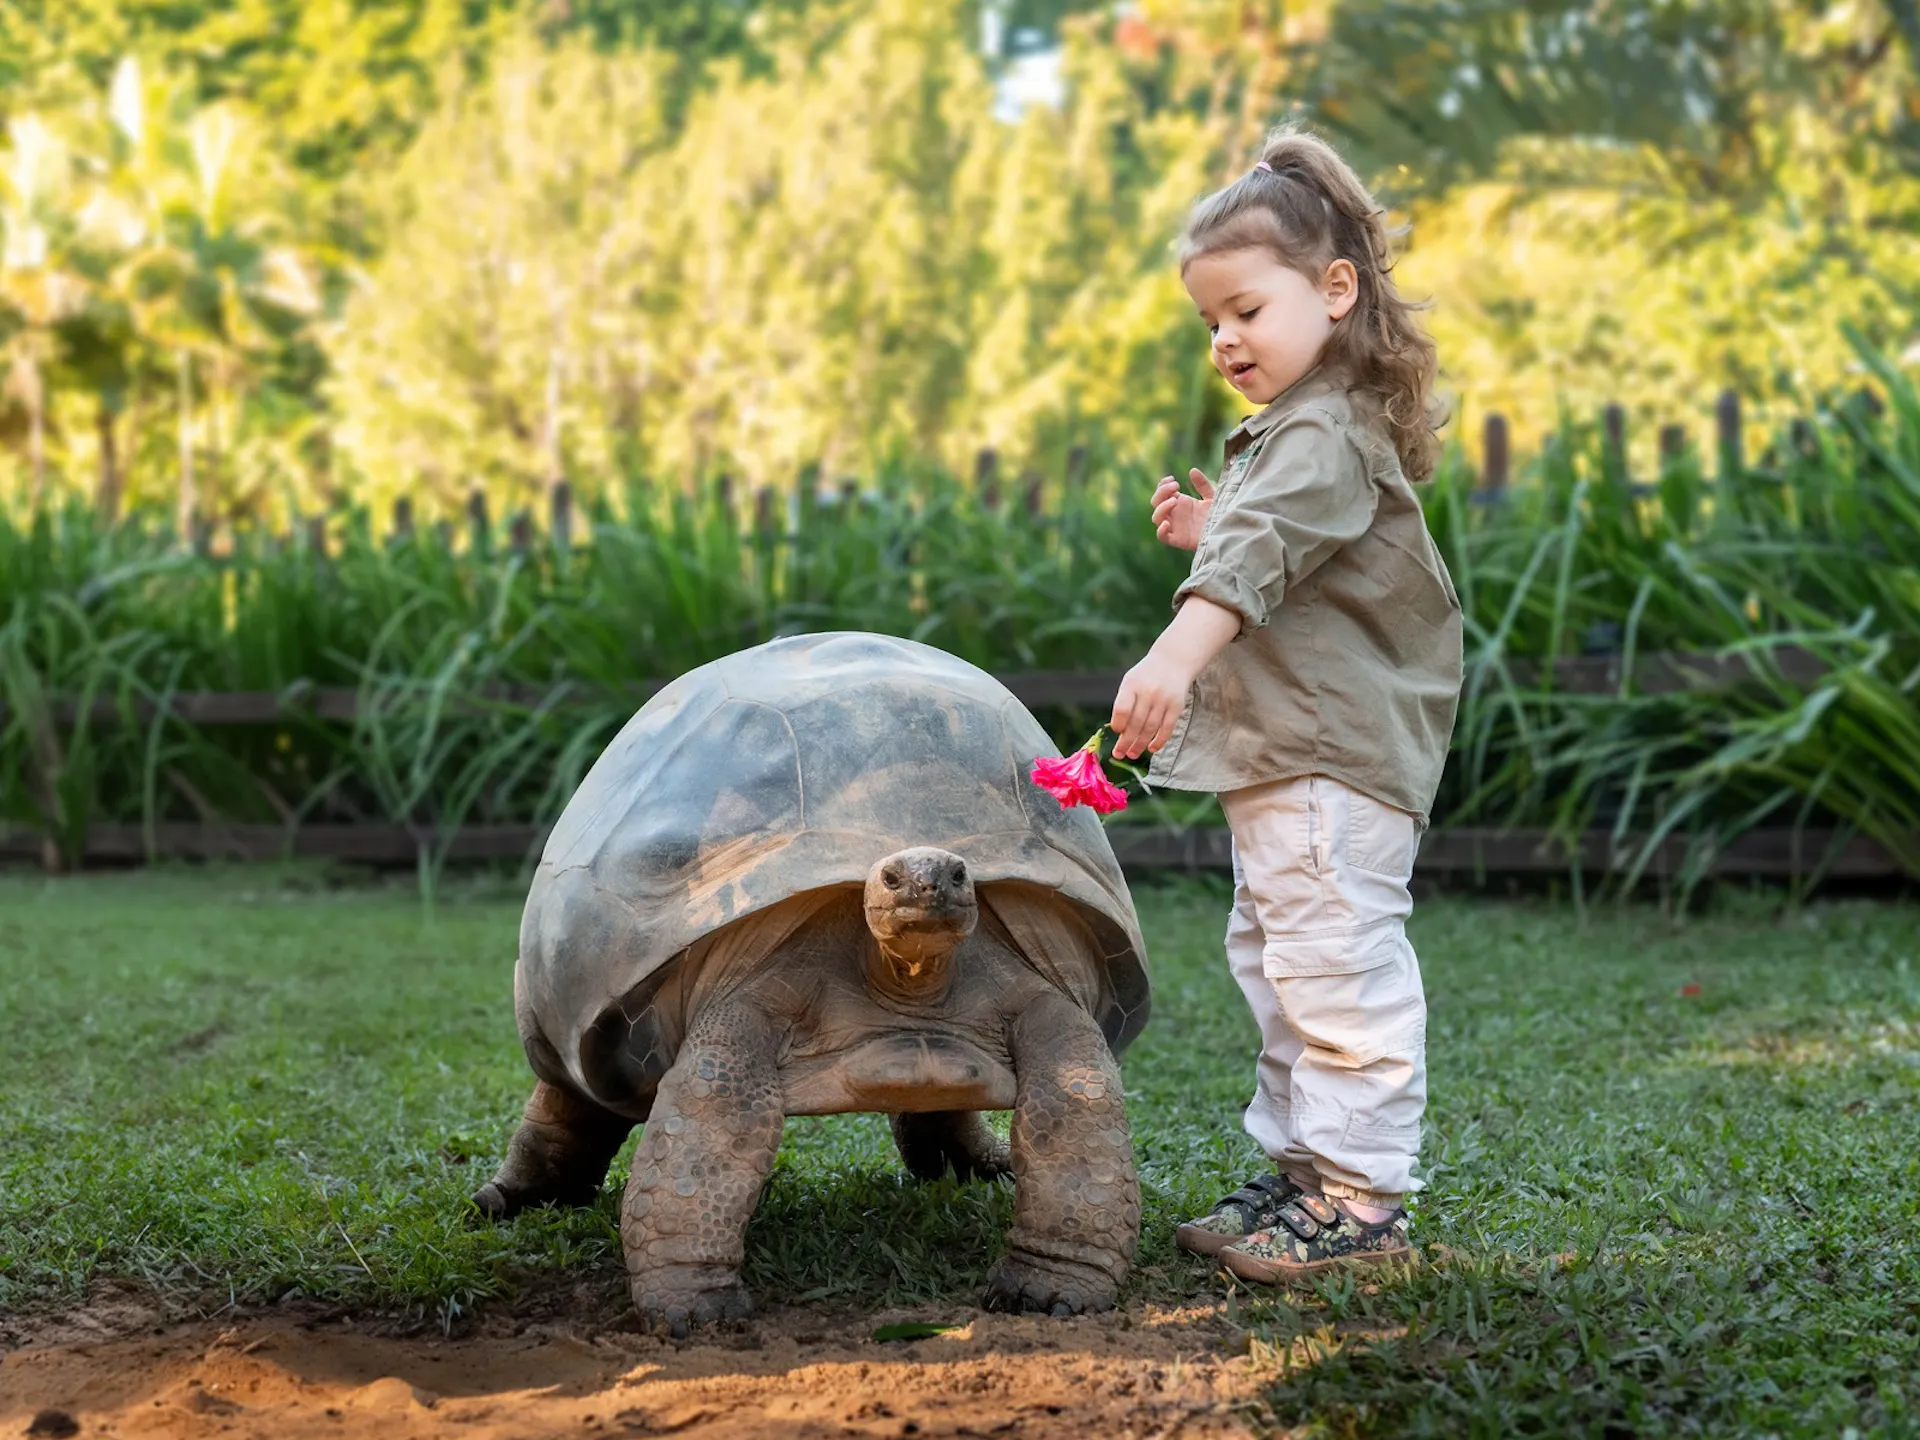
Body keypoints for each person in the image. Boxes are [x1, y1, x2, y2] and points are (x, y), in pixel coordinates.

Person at [1107, 124, 1464, 1285]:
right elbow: (1282, 545)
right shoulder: (1297, 435)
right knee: (1281, 964)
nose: (1225, 339)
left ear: (1335, 289)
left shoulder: (1325, 427)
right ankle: (1308, 1177)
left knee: (1334, 969)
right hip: (1291, 758)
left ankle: (1360, 1201)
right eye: (1210, 320)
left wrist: (1174, 650)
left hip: (1330, 757)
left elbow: (1263, 559)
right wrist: (1218, 529)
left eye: (1247, 312)